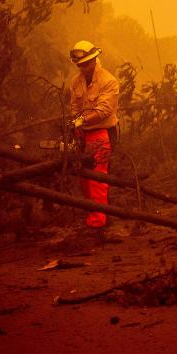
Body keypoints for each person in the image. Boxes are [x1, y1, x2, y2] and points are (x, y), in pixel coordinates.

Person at [66, 40, 119, 229]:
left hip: (102, 131)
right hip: (84, 134)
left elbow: (104, 110)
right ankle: (95, 215)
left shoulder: (108, 81)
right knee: (85, 180)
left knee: (98, 177)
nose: (83, 68)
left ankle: (98, 222)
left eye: (86, 64)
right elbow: (74, 107)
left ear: (95, 60)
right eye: (79, 65)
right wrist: (75, 124)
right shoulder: (76, 81)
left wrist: (83, 120)